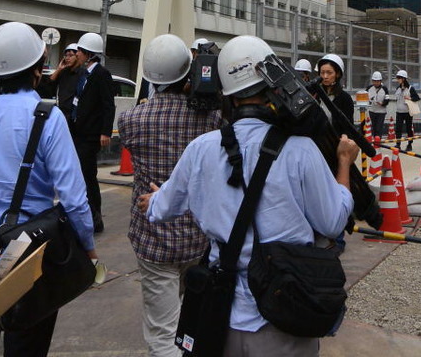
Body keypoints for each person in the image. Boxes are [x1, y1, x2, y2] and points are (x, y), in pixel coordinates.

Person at [139, 34, 359, 356]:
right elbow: (333, 222)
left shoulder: (201, 149)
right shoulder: (301, 150)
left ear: (227, 93)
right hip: (283, 311)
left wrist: (152, 200)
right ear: (276, 85)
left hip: (220, 315)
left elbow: (161, 208)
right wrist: (343, 163)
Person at [0, 22, 95, 357]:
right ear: (37, 70)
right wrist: (88, 247)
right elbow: (73, 197)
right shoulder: (48, 117)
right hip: (26, 248)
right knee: (27, 342)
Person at [118, 33, 222, 357]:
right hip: (198, 237)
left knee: (162, 330)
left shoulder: (132, 119)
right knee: (192, 320)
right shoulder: (213, 119)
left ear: (149, 76)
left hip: (154, 238)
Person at [70, 32, 116, 234]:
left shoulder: (101, 74)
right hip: (77, 131)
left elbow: (108, 105)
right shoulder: (82, 74)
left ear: (89, 54)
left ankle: (96, 218)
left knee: (88, 175)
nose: (76, 54)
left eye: (79, 51)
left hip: (91, 135)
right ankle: (81, 214)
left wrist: (106, 131)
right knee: (78, 174)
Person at [38, 43, 80, 124]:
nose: (67, 58)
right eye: (66, 55)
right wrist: (58, 69)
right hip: (61, 113)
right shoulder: (63, 72)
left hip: (74, 116)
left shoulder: (82, 74)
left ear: (77, 56)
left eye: (71, 55)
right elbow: (48, 84)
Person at [316, 53, 354, 125]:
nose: (325, 76)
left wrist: (344, 135)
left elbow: (348, 125)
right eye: (322, 72)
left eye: (329, 73)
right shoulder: (315, 95)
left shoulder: (345, 98)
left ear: (338, 74)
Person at [394, 69, 420, 152]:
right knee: (398, 128)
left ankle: (409, 144)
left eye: (399, 78)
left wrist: (410, 98)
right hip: (399, 112)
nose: (397, 80)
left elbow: (417, 98)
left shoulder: (410, 88)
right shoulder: (397, 88)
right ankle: (398, 144)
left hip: (408, 112)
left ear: (403, 79)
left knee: (409, 128)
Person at [366, 71, 389, 139]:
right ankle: (375, 140)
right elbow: (365, 97)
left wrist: (382, 103)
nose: (376, 83)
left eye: (377, 81)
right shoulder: (369, 88)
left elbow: (387, 100)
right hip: (372, 110)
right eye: (374, 81)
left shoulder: (384, 88)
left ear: (380, 81)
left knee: (379, 127)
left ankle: (378, 140)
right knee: (374, 126)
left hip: (381, 111)